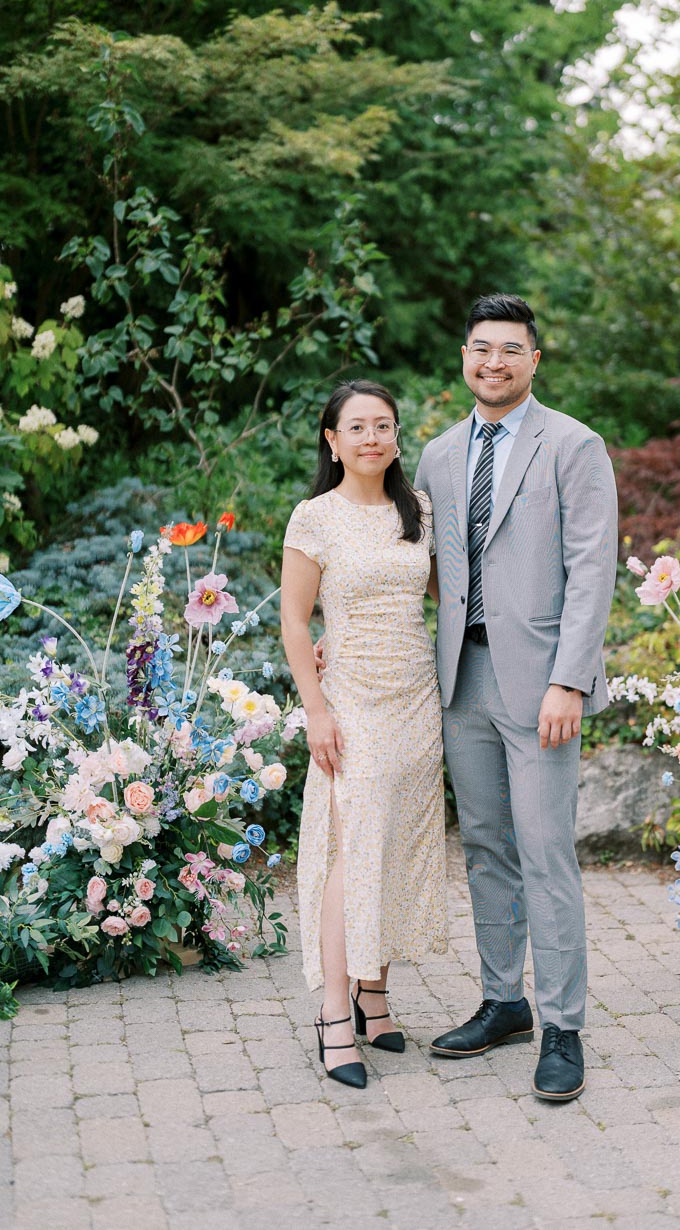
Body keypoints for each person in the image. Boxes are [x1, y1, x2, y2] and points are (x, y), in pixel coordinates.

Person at [414, 293, 617, 1102]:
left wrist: (570, 677)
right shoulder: (434, 454)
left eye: (509, 349)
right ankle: (505, 1002)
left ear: (536, 359)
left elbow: (592, 568)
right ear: (464, 357)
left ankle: (563, 1025)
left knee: (544, 852)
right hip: (461, 678)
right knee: (488, 846)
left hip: (541, 683)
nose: (491, 361)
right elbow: (422, 567)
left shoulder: (574, 445)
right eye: (479, 348)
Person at [281, 380, 447, 1089]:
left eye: (384, 425)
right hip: (353, 701)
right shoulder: (314, 517)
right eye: (358, 427)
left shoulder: (420, 511)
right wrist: (317, 709)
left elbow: (446, 595)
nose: (373, 437)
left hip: (417, 696)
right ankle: (333, 1015)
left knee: (397, 840)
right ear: (332, 439)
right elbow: (295, 622)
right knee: (353, 848)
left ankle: (375, 997)